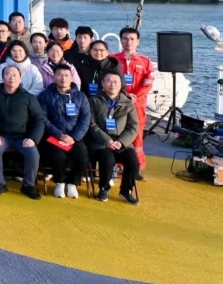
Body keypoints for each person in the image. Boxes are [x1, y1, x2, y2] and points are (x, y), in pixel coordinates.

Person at [0, 63, 45, 200]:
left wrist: (33, 138)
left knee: (33, 154)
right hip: (1, 136)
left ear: (20, 78)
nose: (11, 78)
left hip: (22, 137)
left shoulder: (28, 97)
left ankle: (28, 185)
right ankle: (0, 183)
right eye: (8, 74)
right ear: (2, 77)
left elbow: (39, 120)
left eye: (15, 75)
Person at [38, 63, 91, 199]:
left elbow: (85, 119)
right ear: (54, 77)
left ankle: (72, 183)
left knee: (82, 157)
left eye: (66, 75)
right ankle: (60, 182)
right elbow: (43, 118)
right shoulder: (45, 96)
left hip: (74, 137)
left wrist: (74, 137)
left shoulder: (81, 96)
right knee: (58, 157)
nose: (63, 78)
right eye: (59, 75)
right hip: (54, 136)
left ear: (71, 78)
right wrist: (59, 134)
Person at [87, 69, 141, 204]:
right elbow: (91, 124)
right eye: (109, 81)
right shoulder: (93, 101)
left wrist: (121, 142)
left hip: (122, 142)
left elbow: (133, 127)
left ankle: (126, 191)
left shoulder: (128, 103)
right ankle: (104, 188)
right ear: (102, 83)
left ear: (121, 84)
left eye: (116, 82)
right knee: (108, 159)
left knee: (133, 162)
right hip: (101, 142)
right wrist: (107, 140)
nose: (112, 84)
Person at [112, 27, 154, 179]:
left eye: (132, 39)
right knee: (116, 133)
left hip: (137, 105)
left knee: (136, 136)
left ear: (138, 41)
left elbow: (148, 83)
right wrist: (124, 95)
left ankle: (136, 168)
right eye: (125, 38)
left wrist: (134, 96)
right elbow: (108, 80)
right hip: (117, 104)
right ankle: (115, 165)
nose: (128, 42)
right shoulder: (113, 60)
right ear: (121, 40)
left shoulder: (146, 62)